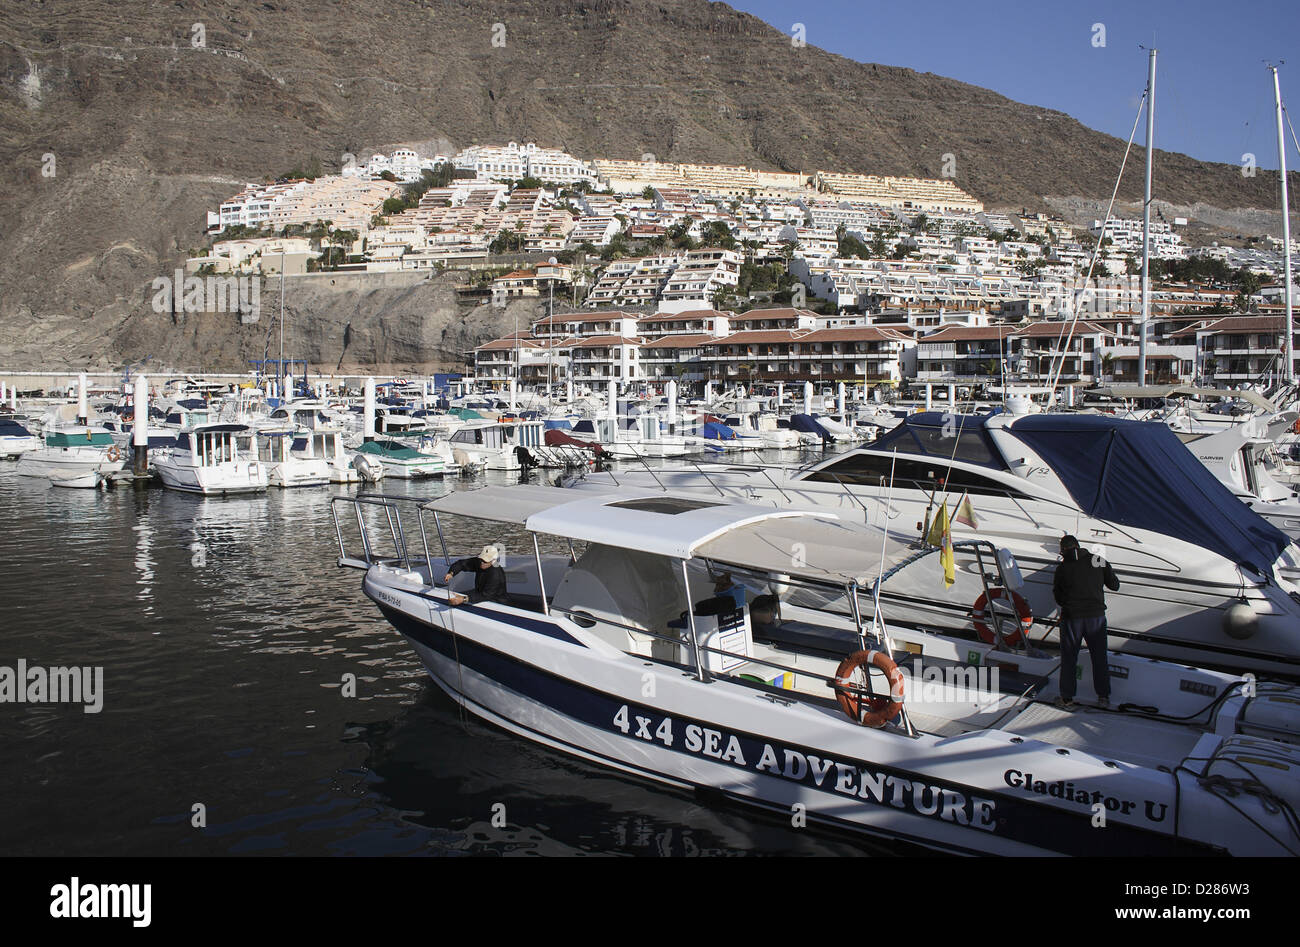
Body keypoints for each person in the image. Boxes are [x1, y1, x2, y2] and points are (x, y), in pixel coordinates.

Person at [1052, 534, 1120, 708]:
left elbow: (1058, 597)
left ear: (1064, 550)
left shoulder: (1063, 567)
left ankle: (1067, 699)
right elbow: (1114, 585)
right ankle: (1103, 697)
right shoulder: (1097, 560)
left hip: (1072, 618)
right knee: (1099, 657)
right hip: (1096, 618)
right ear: (1078, 546)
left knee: (1069, 658)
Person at [443, 544, 509, 606]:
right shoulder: (479, 563)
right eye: (481, 559)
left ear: (493, 560)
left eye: (485, 561)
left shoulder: (496, 574)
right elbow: (462, 564)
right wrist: (451, 573)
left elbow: (487, 595)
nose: (482, 563)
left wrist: (464, 599)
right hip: (481, 596)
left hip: (496, 603)